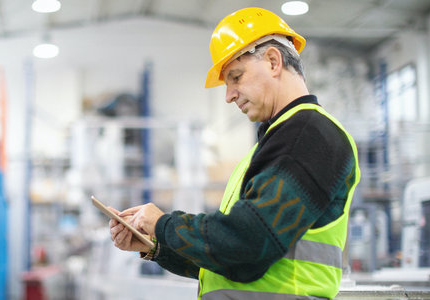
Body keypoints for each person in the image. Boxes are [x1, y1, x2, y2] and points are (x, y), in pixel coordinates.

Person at [108, 7, 361, 300]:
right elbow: (228, 260)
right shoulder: (276, 143)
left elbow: (249, 243)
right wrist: (155, 244)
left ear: (273, 61)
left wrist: (164, 225)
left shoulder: (309, 134)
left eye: (236, 77)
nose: (228, 95)